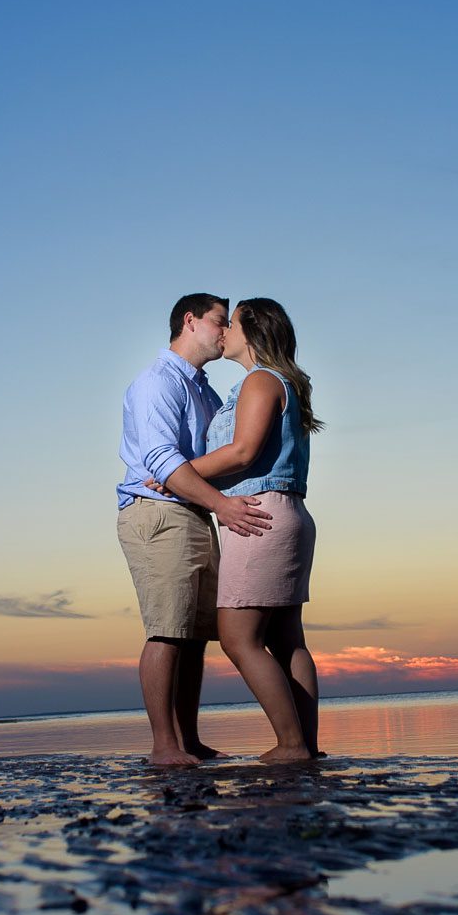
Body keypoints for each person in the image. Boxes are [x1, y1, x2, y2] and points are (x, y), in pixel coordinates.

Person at [152, 298, 322, 763]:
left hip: (259, 515)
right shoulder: (273, 382)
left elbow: (244, 452)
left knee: (237, 637)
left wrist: (178, 472)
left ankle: (291, 745)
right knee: (287, 639)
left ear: (253, 331)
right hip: (284, 512)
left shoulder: (262, 380)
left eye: (233, 322)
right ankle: (305, 743)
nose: (224, 330)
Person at [117, 293, 274, 766]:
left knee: (191, 632)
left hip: (194, 512)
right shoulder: (157, 382)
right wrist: (223, 505)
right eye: (218, 322)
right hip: (158, 513)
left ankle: (189, 740)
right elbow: (164, 461)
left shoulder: (203, 390)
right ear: (190, 321)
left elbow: (204, 461)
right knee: (166, 629)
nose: (225, 332)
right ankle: (164, 746)